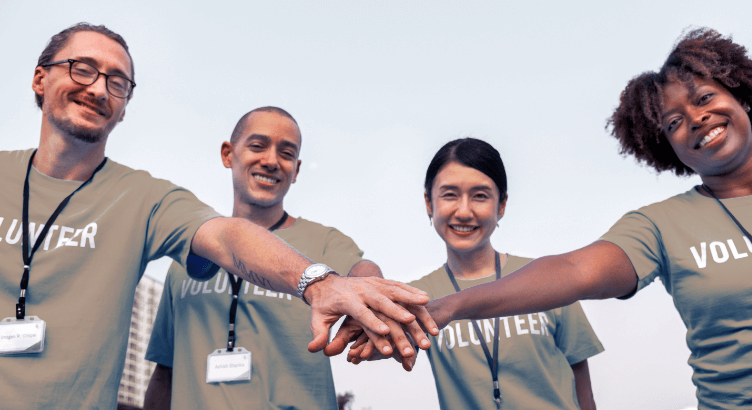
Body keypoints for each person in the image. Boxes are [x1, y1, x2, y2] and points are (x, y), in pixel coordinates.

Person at [342, 28, 752, 409]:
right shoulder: (660, 225)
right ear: (665, 146)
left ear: (741, 95)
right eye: (673, 122)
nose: (696, 118)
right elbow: (573, 270)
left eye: (705, 97)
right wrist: (445, 307)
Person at [0, 23, 434, 410]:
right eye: (83, 68)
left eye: (117, 82)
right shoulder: (178, 271)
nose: (98, 89)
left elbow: (229, 237)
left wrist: (324, 283)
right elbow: (164, 373)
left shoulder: (147, 200)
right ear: (40, 78)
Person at [142, 107, 433, 409]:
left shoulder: (323, 242)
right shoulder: (190, 255)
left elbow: (361, 272)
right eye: (257, 146)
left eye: (286, 153)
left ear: (296, 170)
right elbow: (165, 371)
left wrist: (371, 293)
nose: (271, 161)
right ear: (228, 154)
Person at [346, 138, 603, 410]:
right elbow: (386, 336)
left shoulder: (548, 278)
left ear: (501, 205)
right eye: (449, 194)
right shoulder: (415, 298)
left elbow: (582, 385)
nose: (464, 211)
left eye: (480, 196)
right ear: (429, 203)